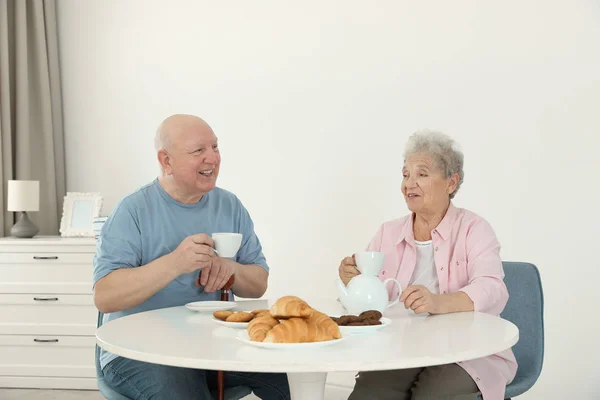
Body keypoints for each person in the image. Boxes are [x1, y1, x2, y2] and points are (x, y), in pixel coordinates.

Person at [93, 114, 290, 400]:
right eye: (199, 151)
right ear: (166, 161)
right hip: (138, 350)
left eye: (215, 147)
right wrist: (175, 263)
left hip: (214, 344)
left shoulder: (230, 205)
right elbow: (105, 296)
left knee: (287, 375)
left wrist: (231, 269)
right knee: (185, 392)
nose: (212, 158)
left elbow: (258, 284)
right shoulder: (132, 210)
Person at [339, 130, 517, 400]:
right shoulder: (387, 233)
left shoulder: (474, 229)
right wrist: (351, 282)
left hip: (466, 351)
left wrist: (437, 303)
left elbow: (493, 288)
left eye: (422, 174)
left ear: (451, 182)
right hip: (401, 349)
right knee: (369, 395)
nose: (409, 183)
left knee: (431, 395)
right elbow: (368, 306)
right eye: (405, 174)